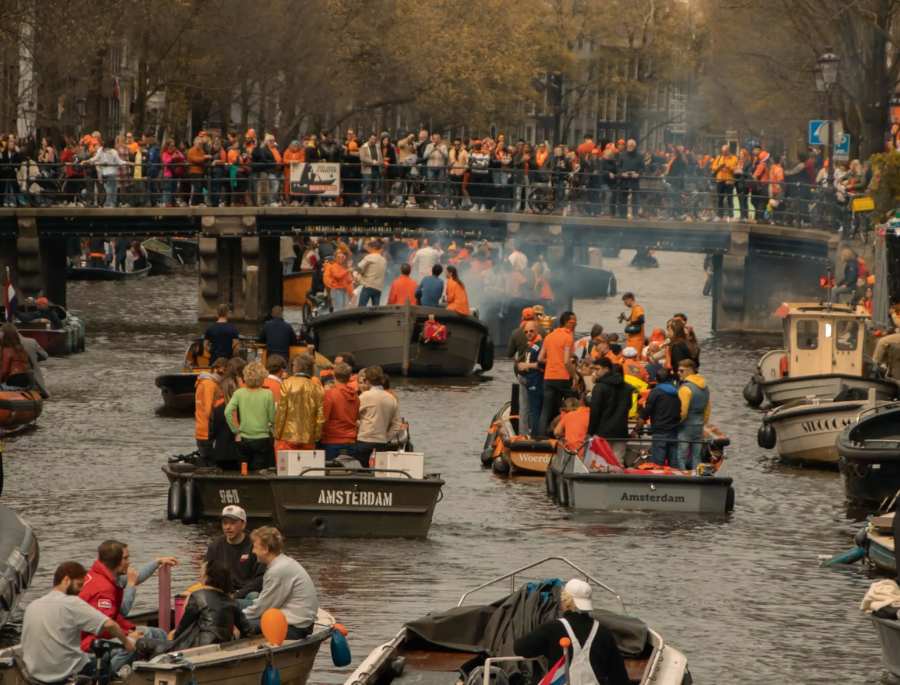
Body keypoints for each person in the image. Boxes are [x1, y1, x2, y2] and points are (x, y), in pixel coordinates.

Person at [21, 562, 136, 685]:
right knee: (103, 668)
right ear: (66, 580)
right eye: (79, 585)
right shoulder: (71, 602)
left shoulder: (32, 605)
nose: (81, 590)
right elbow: (110, 625)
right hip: (63, 676)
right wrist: (127, 643)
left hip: (34, 676)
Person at [79, 541, 173, 675]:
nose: (129, 562)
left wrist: (156, 563)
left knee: (160, 634)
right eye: (126, 558)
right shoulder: (102, 590)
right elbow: (111, 620)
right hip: (90, 645)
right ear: (116, 561)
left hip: (99, 635)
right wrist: (127, 635)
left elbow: (135, 577)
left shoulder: (100, 574)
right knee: (141, 639)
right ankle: (111, 673)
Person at [513, 578, 628, 685]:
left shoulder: (552, 628)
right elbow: (620, 678)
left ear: (565, 600)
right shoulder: (604, 633)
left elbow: (520, 648)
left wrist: (547, 649)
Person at [242, 527, 319, 639]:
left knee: (239, 624)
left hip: (294, 627)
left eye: (255, 547)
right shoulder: (283, 562)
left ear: (265, 549)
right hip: (292, 618)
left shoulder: (277, 570)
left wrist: (237, 618)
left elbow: (263, 608)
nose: (253, 551)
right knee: (235, 605)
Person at [165, 560, 251, 649]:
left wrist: (173, 638)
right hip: (223, 646)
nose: (200, 576)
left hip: (200, 647)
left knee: (169, 635)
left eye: (201, 572)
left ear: (208, 576)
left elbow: (183, 627)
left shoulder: (198, 596)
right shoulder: (231, 601)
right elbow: (247, 630)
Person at [205, 506, 266, 603]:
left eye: (232, 523)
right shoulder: (215, 546)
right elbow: (206, 573)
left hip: (247, 594)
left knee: (254, 596)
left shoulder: (255, 545)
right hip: (222, 592)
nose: (227, 527)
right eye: (225, 523)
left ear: (243, 525)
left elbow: (261, 578)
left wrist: (237, 595)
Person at [225, 361, 276, 470]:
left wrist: (236, 430)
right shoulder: (268, 394)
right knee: (260, 471)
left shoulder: (239, 393)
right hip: (262, 439)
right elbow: (272, 418)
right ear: (262, 377)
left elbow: (227, 412)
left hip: (244, 439)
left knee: (244, 471)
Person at [537, 311, 579, 437]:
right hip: (563, 377)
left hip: (549, 377)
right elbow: (567, 361)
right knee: (572, 406)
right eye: (573, 322)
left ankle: (541, 438)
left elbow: (540, 358)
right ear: (566, 322)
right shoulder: (568, 337)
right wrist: (575, 376)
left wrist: (552, 361)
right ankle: (570, 434)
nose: (575, 324)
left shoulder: (549, 336)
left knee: (546, 409)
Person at [273, 354, 325, 452]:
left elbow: (282, 411)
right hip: (308, 437)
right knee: (306, 466)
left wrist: (277, 434)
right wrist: (316, 436)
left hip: (287, 435)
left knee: (286, 466)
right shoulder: (318, 388)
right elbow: (320, 417)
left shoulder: (286, 383)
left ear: (296, 367)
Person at [355, 366, 402, 467]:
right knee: (378, 471)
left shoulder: (364, 396)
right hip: (381, 443)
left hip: (364, 441)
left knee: (361, 472)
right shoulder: (391, 398)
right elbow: (397, 424)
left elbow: (353, 416)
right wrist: (387, 437)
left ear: (367, 381)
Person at [635, 367, 681, 467]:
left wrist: (637, 429)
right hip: (674, 431)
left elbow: (646, 412)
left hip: (660, 431)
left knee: (658, 463)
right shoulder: (677, 392)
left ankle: (658, 480)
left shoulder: (655, 392)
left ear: (657, 379)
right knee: (674, 463)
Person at [588, 358, 632, 458]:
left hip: (602, 433)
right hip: (621, 432)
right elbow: (629, 406)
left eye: (597, 369)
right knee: (617, 465)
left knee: (600, 464)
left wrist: (590, 432)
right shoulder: (626, 387)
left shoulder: (599, 387)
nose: (595, 372)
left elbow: (595, 411)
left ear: (606, 369)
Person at [320, 362, 360, 461]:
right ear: (349, 377)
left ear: (334, 375)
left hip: (332, 441)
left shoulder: (330, 394)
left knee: (330, 472)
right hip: (351, 440)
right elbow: (356, 417)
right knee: (348, 474)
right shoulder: (355, 396)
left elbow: (323, 418)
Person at [676, 358, 710, 470]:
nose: (678, 373)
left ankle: (683, 475)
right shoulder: (705, 388)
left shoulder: (685, 388)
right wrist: (702, 422)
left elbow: (683, 411)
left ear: (690, 371)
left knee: (682, 455)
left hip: (686, 426)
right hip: (699, 425)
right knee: (696, 455)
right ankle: (696, 475)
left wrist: (676, 423)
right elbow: (708, 409)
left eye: (681, 371)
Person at [195, 357, 227, 464]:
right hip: (207, 431)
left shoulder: (203, 382)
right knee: (211, 463)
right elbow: (209, 410)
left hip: (201, 429)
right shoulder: (210, 385)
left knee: (206, 461)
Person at [515, 320, 543, 436]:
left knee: (533, 410)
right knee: (526, 409)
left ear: (537, 330)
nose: (528, 334)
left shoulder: (539, 346)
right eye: (526, 332)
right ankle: (525, 434)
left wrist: (526, 366)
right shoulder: (531, 345)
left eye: (531, 331)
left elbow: (542, 364)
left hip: (535, 381)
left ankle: (534, 435)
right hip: (528, 379)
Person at [355, 239, 388, 307]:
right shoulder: (384, 260)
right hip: (378, 288)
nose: (368, 250)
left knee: (361, 307)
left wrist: (357, 275)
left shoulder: (369, 257)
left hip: (368, 286)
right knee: (375, 309)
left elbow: (359, 267)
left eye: (369, 248)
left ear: (373, 248)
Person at [0, 323, 33, 387]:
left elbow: (4, 370)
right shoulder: (20, 348)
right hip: (26, 378)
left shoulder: (7, 350)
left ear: (5, 335)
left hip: (14, 379)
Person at [711, 144, 738, 219]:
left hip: (729, 181)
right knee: (720, 198)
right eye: (722, 151)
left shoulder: (734, 158)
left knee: (730, 199)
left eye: (725, 151)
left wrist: (728, 167)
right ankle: (720, 215)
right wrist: (719, 167)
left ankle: (731, 216)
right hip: (720, 180)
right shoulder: (719, 157)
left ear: (728, 150)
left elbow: (735, 168)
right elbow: (713, 167)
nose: (724, 153)